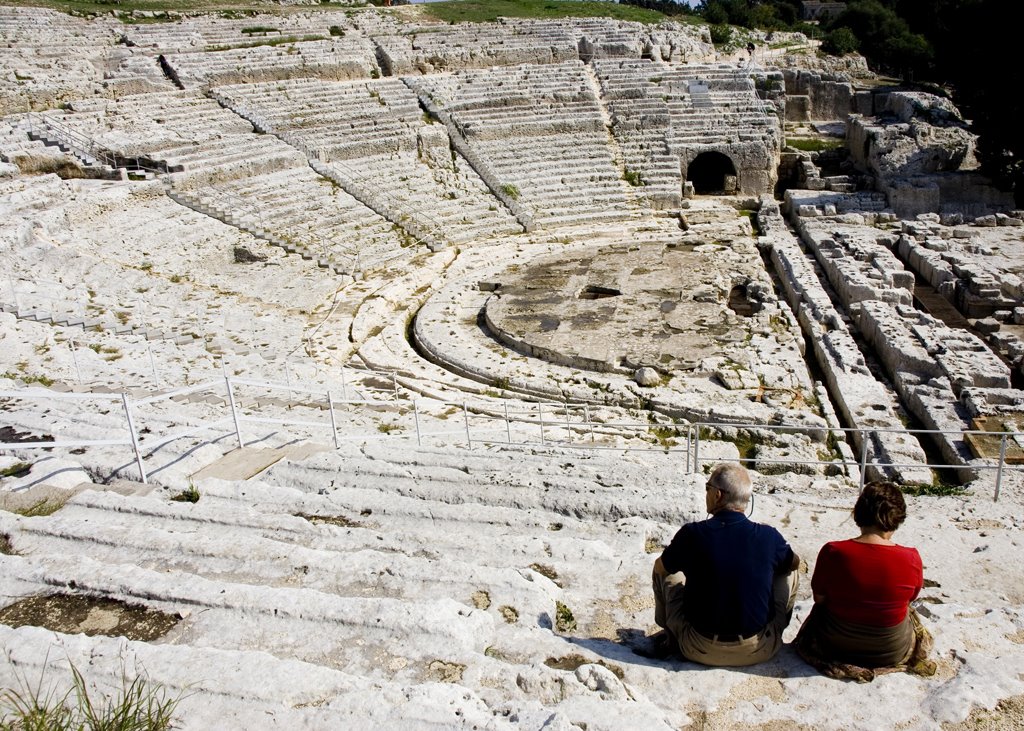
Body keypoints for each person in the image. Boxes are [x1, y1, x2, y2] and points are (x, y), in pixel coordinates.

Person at [647, 463, 800, 666]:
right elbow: (795, 562)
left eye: (707, 488)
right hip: (758, 649)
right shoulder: (768, 536)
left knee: (665, 570)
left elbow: (660, 568)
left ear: (717, 495)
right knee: (790, 572)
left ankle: (671, 639)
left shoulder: (693, 533)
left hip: (697, 647)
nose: (706, 493)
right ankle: (774, 633)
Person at [795, 481, 935, 681]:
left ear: (859, 513)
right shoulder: (911, 557)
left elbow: (820, 598)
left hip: (834, 645)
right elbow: (909, 600)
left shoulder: (833, 552)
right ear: (897, 519)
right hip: (890, 650)